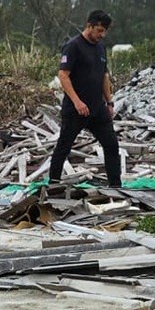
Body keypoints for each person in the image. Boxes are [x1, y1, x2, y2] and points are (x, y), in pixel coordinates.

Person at [48, 10, 122, 187]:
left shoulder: (101, 47)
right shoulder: (73, 46)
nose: (102, 35)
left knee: (111, 145)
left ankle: (116, 186)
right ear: (89, 26)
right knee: (63, 147)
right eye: (99, 30)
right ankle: (53, 184)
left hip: (97, 108)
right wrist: (77, 101)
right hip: (76, 109)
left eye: (105, 31)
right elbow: (63, 75)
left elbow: (104, 76)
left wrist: (109, 102)